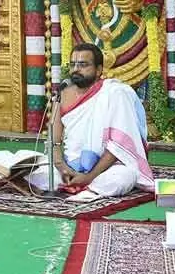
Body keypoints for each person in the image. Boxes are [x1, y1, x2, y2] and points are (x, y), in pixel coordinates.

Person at [27, 43, 154, 196]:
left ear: (99, 70)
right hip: (69, 165)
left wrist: (89, 176)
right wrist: (62, 168)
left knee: (124, 177)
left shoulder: (114, 93)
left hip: (104, 169)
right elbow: (54, 141)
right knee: (36, 173)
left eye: (83, 65)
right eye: (73, 64)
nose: (76, 69)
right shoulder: (61, 95)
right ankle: (76, 184)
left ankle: (86, 187)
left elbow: (117, 147)